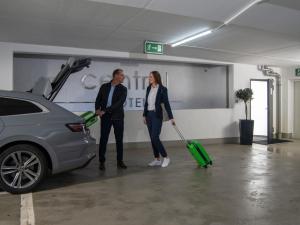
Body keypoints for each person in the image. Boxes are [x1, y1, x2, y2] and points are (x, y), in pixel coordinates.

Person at [95, 69, 127, 171]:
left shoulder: (123, 89)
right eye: (122, 75)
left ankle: (120, 161)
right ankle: (101, 161)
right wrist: (97, 109)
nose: (123, 77)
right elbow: (98, 99)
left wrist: (105, 110)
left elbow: (119, 103)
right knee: (103, 139)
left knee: (119, 140)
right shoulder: (104, 87)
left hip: (117, 117)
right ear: (116, 76)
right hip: (105, 118)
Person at [143, 71, 175, 168]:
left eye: (151, 76)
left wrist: (171, 117)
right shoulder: (149, 88)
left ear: (156, 77)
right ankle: (157, 159)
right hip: (149, 115)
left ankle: (166, 157)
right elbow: (146, 103)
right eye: (149, 77)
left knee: (154, 137)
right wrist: (144, 115)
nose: (149, 78)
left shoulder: (162, 89)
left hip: (157, 115)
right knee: (152, 139)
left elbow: (166, 104)